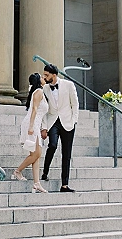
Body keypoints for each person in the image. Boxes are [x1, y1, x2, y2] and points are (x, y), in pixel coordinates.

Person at [40, 62, 79, 192]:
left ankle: (64, 185)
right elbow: (44, 109)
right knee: (52, 145)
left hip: (67, 122)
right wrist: (43, 127)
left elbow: (75, 104)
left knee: (66, 153)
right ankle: (45, 171)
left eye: (47, 75)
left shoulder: (68, 85)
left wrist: (74, 121)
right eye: (44, 75)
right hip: (53, 122)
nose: (44, 77)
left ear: (54, 75)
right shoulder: (45, 89)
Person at [12, 72, 49, 193]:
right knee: (36, 154)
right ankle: (17, 171)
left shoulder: (38, 91)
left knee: (36, 155)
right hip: (32, 123)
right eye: (42, 78)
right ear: (38, 81)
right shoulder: (39, 91)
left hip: (35, 124)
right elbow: (34, 109)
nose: (44, 79)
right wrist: (32, 126)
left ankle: (37, 183)